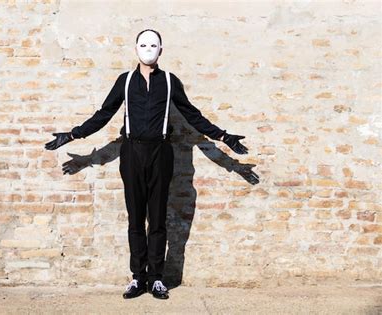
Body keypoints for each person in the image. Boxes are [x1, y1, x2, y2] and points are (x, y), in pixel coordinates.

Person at [44, 29, 248, 300]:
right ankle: (137, 277)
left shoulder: (170, 82)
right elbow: (104, 114)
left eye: (154, 45)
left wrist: (223, 137)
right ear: (136, 48)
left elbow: (192, 115)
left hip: (161, 152)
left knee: (158, 218)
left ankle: (157, 279)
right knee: (136, 218)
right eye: (144, 44)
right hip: (132, 152)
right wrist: (73, 135)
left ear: (161, 50)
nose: (148, 49)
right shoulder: (125, 81)